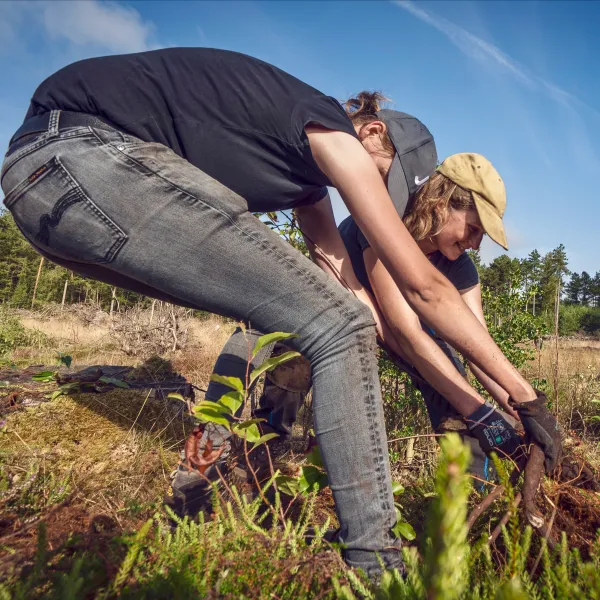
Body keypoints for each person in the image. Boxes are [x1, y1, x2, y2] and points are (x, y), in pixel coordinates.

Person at [0, 48, 561, 577]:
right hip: (87, 158)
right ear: (370, 132)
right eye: (382, 177)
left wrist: (491, 398)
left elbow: (342, 282)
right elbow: (417, 293)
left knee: (322, 320)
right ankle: (376, 562)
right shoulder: (330, 131)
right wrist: (525, 397)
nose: (373, 192)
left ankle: (214, 480)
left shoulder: (306, 188)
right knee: (324, 328)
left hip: (43, 182)